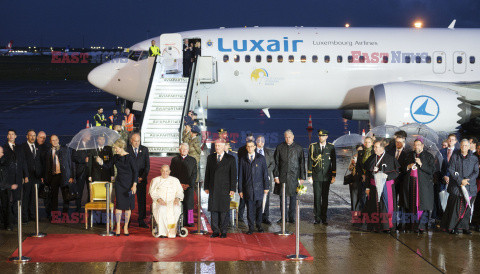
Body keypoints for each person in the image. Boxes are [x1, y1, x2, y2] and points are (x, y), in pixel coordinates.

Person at [97, 139, 138, 236]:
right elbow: (108, 166)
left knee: (128, 207)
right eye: (114, 148)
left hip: (129, 184)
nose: (115, 150)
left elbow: (136, 172)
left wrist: (134, 185)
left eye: (116, 148)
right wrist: (101, 162)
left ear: (121, 147)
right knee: (119, 206)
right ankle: (119, 226)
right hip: (119, 183)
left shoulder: (130, 157)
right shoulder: (115, 157)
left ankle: (126, 227)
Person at [441, 139, 478, 235]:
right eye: (462, 145)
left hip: (470, 187)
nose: (464, 147)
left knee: (467, 209)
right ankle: (453, 227)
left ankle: (464, 227)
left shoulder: (474, 158)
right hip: (457, 187)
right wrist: (460, 180)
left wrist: (467, 180)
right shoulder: (455, 156)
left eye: (466, 146)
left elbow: (476, 172)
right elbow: (451, 169)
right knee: (455, 209)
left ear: (469, 147)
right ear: (460, 146)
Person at [362, 140, 399, 233]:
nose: (374, 149)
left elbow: (396, 173)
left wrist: (386, 176)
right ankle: (376, 226)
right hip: (373, 186)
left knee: (385, 206)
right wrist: (367, 187)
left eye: (376, 147)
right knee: (374, 206)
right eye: (374, 147)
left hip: (386, 187)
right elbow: (367, 175)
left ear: (382, 148)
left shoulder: (390, 158)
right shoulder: (371, 158)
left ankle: (386, 226)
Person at [204, 139, 237, 238]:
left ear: (223, 146)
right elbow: (207, 173)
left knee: (224, 211)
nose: (217, 147)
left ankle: (223, 231)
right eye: (216, 145)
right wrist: (206, 187)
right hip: (213, 188)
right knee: (213, 210)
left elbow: (233, 175)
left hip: (225, 189)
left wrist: (232, 188)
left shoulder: (230, 158)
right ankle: (215, 231)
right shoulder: (210, 158)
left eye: (219, 145)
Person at [273, 130, 305, 223]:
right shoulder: (280, 147)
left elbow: (302, 163)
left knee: (293, 198)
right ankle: (283, 217)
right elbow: (276, 163)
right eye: (286, 137)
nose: (288, 139)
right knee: (282, 198)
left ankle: (292, 218)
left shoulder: (298, 148)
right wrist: (276, 176)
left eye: (289, 137)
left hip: (294, 177)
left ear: (293, 137)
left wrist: (302, 177)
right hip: (282, 176)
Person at [238, 140, 269, 234]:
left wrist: (266, 187)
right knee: (250, 209)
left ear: (255, 147)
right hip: (248, 189)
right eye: (248, 146)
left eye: (251, 146)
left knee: (259, 209)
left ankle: (259, 225)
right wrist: (240, 190)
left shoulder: (261, 158)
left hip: (259, 188)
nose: (250, 148)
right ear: (246, 147)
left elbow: (265, 173)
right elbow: (240, 176)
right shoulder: (243, 159)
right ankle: (251, 227)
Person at [405, 138, 435, 233]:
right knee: (412, 204)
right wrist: (408, 166)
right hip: (412, 183)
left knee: (422, 205)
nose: (417, 146)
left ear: (422, 145)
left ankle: (421, 226)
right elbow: (403, 167)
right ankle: (412, 225)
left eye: (418, 144)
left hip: (423, 185)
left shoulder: (429, 156)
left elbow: (432, 171)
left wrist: (421, 164)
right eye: (415, 145)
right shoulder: (410, 155)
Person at [308, 129, 336, 225]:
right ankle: (317, 217)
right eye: (320, 136)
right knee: (316, 197)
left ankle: (324, 217)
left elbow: (334, 162)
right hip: (316, 176)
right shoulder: (313, 146)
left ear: (326, 137)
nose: (321, 137)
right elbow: (310, 161)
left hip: (327, 177)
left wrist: (334, 175)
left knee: (325, 198)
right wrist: (309, 175)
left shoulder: (331, 147)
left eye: (323, 136)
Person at [2, 130, 28, 230]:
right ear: (7, 136)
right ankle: (8, 223)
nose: (11, 136)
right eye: (9, 134)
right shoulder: (4, 148)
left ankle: (16, 220)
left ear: (16, 136)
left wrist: (26, 176)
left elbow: (23, 161)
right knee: (8, 200)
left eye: (13, 134)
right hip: (8, 179)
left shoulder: (19, 148)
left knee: (17, 200)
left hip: (18, 178)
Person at [150, 165, 184, 238]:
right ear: (160, 171)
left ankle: (171, 231)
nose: (165, 173)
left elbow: (180, 191)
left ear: (169, 171)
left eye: (166, 171)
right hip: (160, 202)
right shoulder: (155, 180)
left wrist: (177, 199)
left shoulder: (175, 180)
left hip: (172, 201)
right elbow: (152, 192)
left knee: (175, 209)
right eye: (163, 171)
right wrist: (159, 199)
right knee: (162, 209)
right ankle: (163, 232)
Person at [44, 135, 74, 218]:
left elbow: (70, 163)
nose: (55, 142)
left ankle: (65, 215)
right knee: (54, 197)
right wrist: (47, 179)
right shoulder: (49, 152)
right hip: (54, 177)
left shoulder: (65, 149)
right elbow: (47, 167)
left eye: (56, 140)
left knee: (66, 196)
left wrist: (71, 176)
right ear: (50, 142)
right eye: (52, 140)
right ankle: (55, 216)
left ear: (58, 140)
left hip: (64, 176)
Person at [126, 133, 150, 228]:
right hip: (130, 180)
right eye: (135, 141)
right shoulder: (127, 149)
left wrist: (142, 177)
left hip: (141, 180)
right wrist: (132, 178)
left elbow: (147, 165)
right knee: (129, 200)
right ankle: (128, 220)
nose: (137, 143)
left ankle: (141, 220)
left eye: (138, 141)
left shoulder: (144, 149)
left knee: (142, 201)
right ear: (131, 140)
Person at [170, 143, 197, 227]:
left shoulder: (193, 160)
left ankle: (190, 221)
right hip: (178, 186)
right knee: (178, 204)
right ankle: (179, 220)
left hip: (189, 186)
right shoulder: (174, 160)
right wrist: (179, 185)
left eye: (186, 149)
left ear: (188, 150)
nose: (184, 151)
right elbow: (173, 174)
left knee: (189, 204)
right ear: (179, 150)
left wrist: (188, 184)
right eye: (182, 149)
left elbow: (194, 174)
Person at [387, 135, 409, 231]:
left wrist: (401, 171)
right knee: (392, 202)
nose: (398, 144)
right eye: (397, 142)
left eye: (400, 142)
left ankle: (402, 223)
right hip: (392, 181)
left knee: (402, 203)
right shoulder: (390, 152)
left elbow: (407, 167)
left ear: (404, 143)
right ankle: (392, 222)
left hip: (403, 181)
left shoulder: (407, 153)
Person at [20, 130, 43, 222]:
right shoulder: (23, 147)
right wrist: (25, 175)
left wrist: (41, 175)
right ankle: (25, 217)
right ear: (27, 136)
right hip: (27, 176)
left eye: (34, 135)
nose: (33, 137)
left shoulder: (37, 147)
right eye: (31, 135)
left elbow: (39, 162)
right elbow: (23, 162)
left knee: (34, 197)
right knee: (26, 197)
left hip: (36, 176)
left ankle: (32, 215)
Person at [436, 134, 458, 222]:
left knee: (452, 202)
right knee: (442, 201)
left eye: (453, 140)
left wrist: (451, 177)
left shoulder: (458, 152)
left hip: (454, 181)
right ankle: (445, 220)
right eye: (449, 139)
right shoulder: (441, 151)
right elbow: (438, 167)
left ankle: (451, 221)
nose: (451, 141)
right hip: (442, 180)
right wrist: (444, 176)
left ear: (456, 141)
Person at [255, 136, 275, 225]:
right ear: (256, 142)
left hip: (267, 178)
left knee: (266, 198)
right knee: (256, 198)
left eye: (262, 141)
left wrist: (266, 172)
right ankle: (256, 217)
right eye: (259, 141)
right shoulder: (253, 151)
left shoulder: (268, 151)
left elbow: (273, 164)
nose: (261, 142)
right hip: (256, 179)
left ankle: (265, 217)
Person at [353, 137, 373, 220]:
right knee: (362, 197)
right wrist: (362, 175)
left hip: (371, 178)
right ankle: (363, 215)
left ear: (372, 143)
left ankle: (371, 215)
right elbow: (358, 166)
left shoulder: (374, 152)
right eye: (366, 142)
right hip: (362, 178)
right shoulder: (361, 152)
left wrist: (368, 175)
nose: (367, 144)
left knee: (371, 197)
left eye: (369, 142)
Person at [71, 133, 92, 213]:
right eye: (88, 135)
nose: (89, 136)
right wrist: (84, 160)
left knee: (90, 190)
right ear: (84, 136)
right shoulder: (77, 145)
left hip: (89, 171)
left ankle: (89, 207)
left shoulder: (91, 145)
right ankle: (78, 207)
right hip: (80, 171)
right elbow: (73, 157)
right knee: (79, 190)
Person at [237, 133, 255, 223]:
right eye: (248, 140)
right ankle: (240, 216)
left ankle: (252, 218)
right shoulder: (241, 150)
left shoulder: (255, 152)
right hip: (244, 178)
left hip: (253, 180)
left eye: (251, 140)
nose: (250, 142)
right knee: (242, 199)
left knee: (251, 201)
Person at [471, 142, 480, 231]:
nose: (479, 150)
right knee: (474, 202)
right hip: (474, 182)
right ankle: (474, 222)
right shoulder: (473, 156)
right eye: (478, 148)